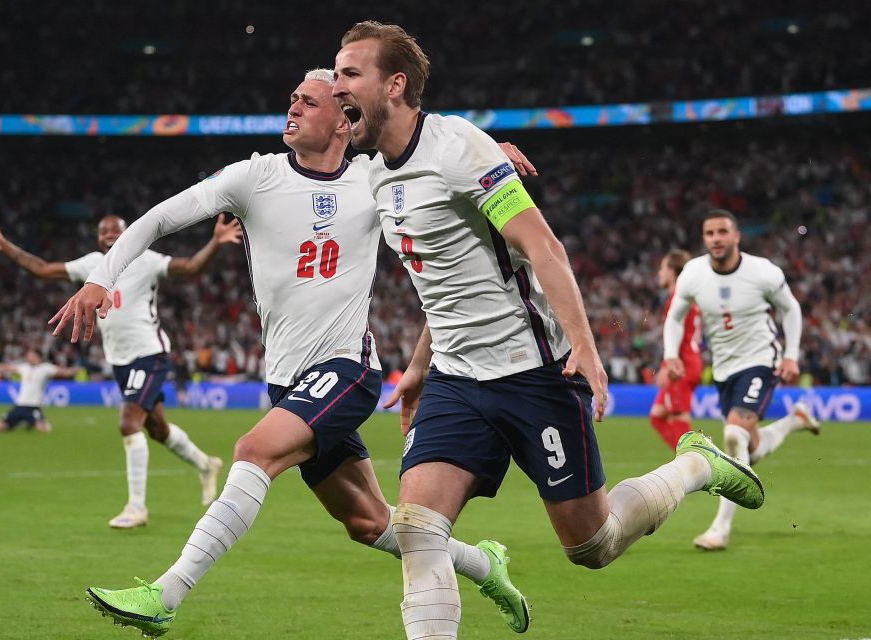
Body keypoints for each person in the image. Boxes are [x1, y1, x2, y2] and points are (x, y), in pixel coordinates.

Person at [50, 70, 532, 637]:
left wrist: (483, 152)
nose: (294, 108)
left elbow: (435, 153)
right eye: (293, 99)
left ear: (343, 120)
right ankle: (484, 564)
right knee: (369, 522)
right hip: (287, 380)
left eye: (309, 101)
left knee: (254, 450)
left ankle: (166, 593)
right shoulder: (253, 177)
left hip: (347, 371)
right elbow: (157, 219)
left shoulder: (377, 179)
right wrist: (100, 279)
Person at [331, 21, 766, 639]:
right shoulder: (375, 170)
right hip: (457, 379)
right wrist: (422, 365)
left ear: (394, 84)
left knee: (592, 544)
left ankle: (693, 466)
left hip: (533, 373)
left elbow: (544, 248)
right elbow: (449, 278)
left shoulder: (461, 153)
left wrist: (585, 348)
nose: (336, 82)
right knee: (417, 528)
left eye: (350, 72)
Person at [0, 214, 238, 527]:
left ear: (128, 234)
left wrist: (215, 242)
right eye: (103, 230)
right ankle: (206, 464)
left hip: (150, 354)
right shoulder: (92, 265)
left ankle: (136, 508)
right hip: (120, 361)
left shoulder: (145, 259)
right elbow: (42, 270)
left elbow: (190, 268)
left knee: (128, 423)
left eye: (116, 229)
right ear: (97, 238)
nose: (109, 233)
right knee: (157, 429)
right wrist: (4, 245)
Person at [664, 210, 820, 551]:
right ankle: (794, 421)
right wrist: (670, 354)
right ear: (704, 239)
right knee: (745, 447)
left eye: (722, 232)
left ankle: (720, 528)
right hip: (723, 369)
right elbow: (675, 316)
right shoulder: (693, 273)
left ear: (737, 236)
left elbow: (791, 309)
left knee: (733, 434)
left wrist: (791, 355)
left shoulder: (762, 271)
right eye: (709, 233)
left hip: (761, 360)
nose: (716, 238)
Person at [649, 249, 702, 449]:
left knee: (680, 416)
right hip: (688, 361)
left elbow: (677, 339)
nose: (659, 273)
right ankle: (688, 459)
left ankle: (694, 461)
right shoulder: (689, 299)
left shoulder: (677, 300)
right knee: (657, 416)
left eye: (662, 268)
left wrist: (666, 366)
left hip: (681, 364)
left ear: (672, 271)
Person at [0, 346, 79, 433]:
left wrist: (73, 371)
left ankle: (29, 422)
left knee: (44, 430)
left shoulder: (46, 368)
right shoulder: (24, 367)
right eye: (28, 355)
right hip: (19, 405)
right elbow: (9, 367)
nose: (28, 358)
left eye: (30, 355)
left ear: (37, 356)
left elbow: (63, 372)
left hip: (33, 406)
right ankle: (22, 422)